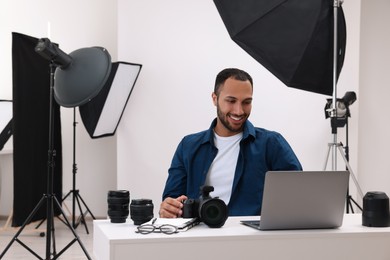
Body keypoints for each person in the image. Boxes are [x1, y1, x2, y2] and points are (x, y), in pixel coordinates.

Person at [159, 68, 302, 218]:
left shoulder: (271, 143)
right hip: (200, 235)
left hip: (253, 238)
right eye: (231, 101)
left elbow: (299, 194)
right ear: (215, 99)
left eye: (246, 102)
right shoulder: (188, 146)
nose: (239, 111)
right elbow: (172, 200)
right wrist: (168, 207)